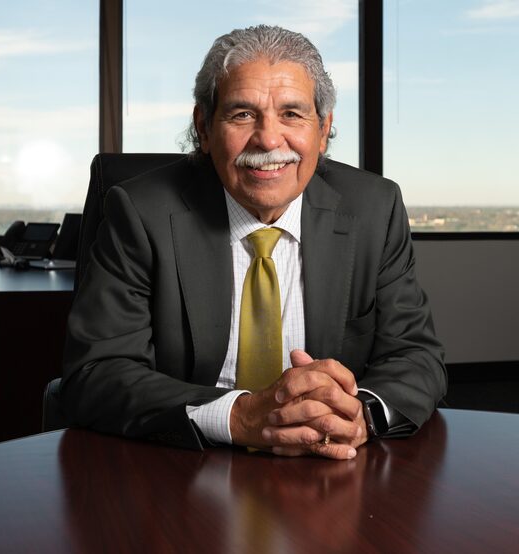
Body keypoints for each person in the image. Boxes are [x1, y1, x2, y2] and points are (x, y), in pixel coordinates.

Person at [62, 25, 446, 460]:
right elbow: (97, 373)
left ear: (323, 131)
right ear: (204, 128)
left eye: (292, 114)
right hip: (186, 464)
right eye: (242, 114)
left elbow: (416, 356)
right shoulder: (140, 212)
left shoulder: (374, 209)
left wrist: (361, 415)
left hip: (329, 466)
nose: (267, 139)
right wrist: (240, 416)